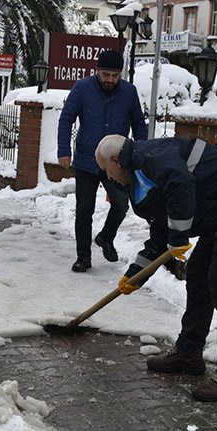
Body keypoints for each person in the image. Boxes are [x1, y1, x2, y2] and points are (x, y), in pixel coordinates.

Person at [95, 134, 217, 402]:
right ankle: (189, 353)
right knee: (198, 278)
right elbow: (159, 234)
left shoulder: (152, 155)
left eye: (107, 171)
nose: (108, 178)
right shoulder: (140, 180)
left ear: (115, 160)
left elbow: (181, 183)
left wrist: (178, 237)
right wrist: (135, 275)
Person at [57, 50, 147, 273]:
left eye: (114, 76)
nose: (109, 80)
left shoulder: (129, 92)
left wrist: (141, 153)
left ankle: (106, 237)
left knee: (120, 204)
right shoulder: (82, 88)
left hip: (116, 162)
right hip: (87, 160)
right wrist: (63, 150)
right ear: (97, 71)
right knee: (84, 210)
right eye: (105, 74)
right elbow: (66, 118)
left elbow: (138, 123)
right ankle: (83, 256)